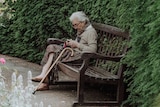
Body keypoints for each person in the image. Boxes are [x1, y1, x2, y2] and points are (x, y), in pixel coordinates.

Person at [32, 11, 98, 91]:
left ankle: (44, 80)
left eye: (76, 25)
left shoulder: (91, 32)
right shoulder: (82, 30)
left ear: (83, 22)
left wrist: (77, 45)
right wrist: (71, 43)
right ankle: (44, 77)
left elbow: (93, 50)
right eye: (73, 25)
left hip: (81, 58)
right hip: (73, 54)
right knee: (51, 48)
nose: (75, 27)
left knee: (53, 53)